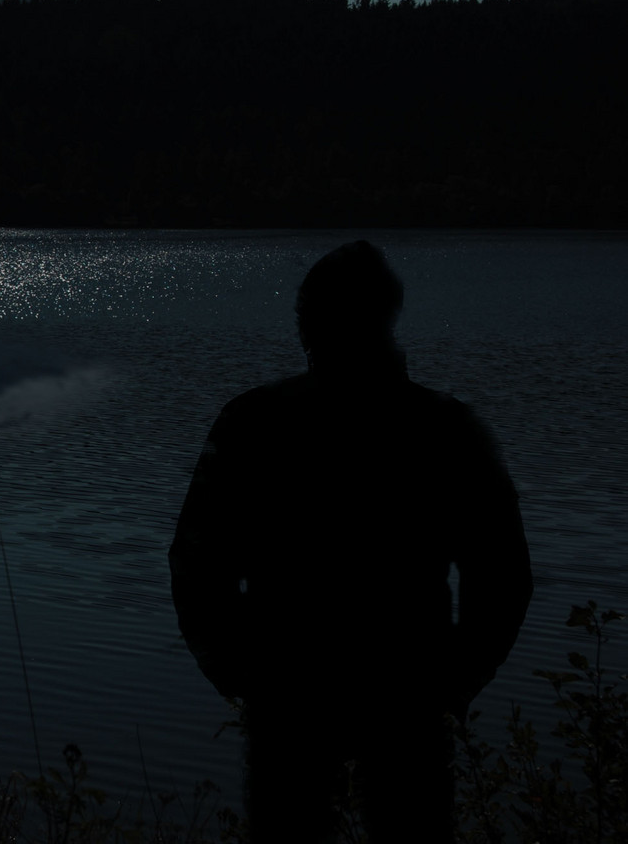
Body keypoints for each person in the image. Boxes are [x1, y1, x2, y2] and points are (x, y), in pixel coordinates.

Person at [169, 240, 531, 842]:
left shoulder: (254, 422)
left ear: (310, 324)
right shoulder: (446, 427)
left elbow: (196, 565)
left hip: (294, 698)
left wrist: (240, 677)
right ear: (389, 316)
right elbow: (503, 576)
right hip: (405, 697)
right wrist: (456, 682)